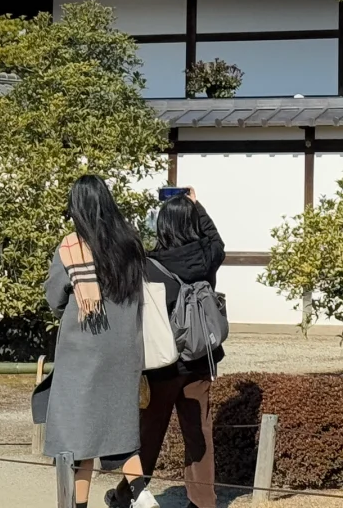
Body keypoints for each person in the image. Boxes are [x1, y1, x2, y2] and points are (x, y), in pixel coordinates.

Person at [110, 187, 225, 508]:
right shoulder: (208, 259)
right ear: (193, 224)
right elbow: (217, 240)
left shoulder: (148, 265)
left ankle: (126, 495)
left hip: (161, 364)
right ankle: (203, 502)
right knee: (198, 434)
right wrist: (196, 204)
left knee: (149, 433)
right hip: (201, 359)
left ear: (161, 227)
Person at [44, 175, 151, 508]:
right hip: (125, 350)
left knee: (78, 438)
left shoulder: (72, 248)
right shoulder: (131, 243)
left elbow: (54, 298)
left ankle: (77, 506)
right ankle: (143, 496)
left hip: (84, 354)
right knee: (121, 432)